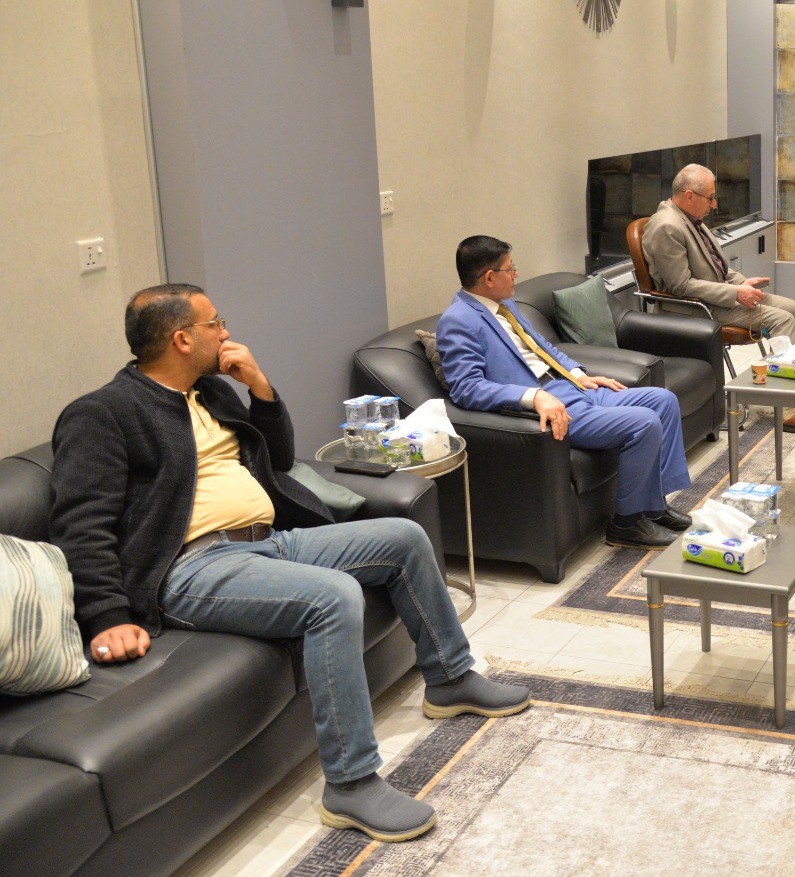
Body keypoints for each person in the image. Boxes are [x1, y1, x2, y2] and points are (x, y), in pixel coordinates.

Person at [49, 284, 530, 844]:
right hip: (190, 568)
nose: (226, 332)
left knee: (403, 537)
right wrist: (107, 616)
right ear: (181, 339)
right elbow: (81, 524)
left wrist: (261, 388)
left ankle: (450, 680)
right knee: (333, 597)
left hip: (269, 541)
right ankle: (350, 784)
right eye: (215, 324)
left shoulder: (212, 392)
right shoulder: (102, 414)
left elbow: (277, 460)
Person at [437, 235, 692, 549]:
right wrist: (533, 397)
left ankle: (653, 506)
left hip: (568, 386)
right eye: (510, 269)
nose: (515, 274)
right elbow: (466, 388)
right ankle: (626, 523)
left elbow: (543, 347)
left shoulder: (505, 306)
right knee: (644, 423)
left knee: (663, 400)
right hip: (548, 403)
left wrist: (580, 375)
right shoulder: (458, 321)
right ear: (489, 278)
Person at [641, 165, 795, 436]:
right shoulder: (666, 227)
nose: (714, 204)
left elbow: (717, 268)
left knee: (792, 307)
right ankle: (793, 410)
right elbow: (681, 286)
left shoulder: (690, 218)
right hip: (693, 309)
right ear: (689, 195)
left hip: (717, 296)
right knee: (782, 320)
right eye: (710, 198)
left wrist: (741, 283)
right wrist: (735, 294)